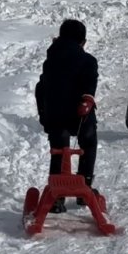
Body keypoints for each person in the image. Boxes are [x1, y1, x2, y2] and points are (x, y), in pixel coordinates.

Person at [34, 19, 99, 214]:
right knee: (88, 142)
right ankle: (84, 187)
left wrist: (44, 116)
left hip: (54, 115)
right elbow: (89, 90)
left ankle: (56, 196)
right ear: (83, 42)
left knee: (59, 149)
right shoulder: (88, 61)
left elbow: (41, 89)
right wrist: (87, 100)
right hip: (79, 116)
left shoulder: (50, 59)